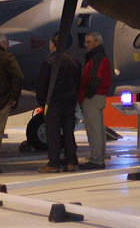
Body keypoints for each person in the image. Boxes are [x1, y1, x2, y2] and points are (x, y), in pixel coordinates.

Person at [37, 34, 81, 173]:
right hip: (69, 103)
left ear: (52, 45)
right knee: (69, 132)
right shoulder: (75, 62)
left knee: (53, 133)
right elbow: (78, 83)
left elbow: (42, 85)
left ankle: (54, 163)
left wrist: (43, 102)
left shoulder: (49, 62)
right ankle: (71, 162)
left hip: (54, 102)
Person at [79, 32, 112, 170]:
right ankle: (99, 157)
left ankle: (96, 160)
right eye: (85, 42)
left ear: (97, 43)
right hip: (97, 96)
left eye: (88, 42)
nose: (86, 44)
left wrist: (87, 94)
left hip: (93, 97)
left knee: (94, 130)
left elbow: (95, 79)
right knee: (98, 129)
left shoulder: (96, 58)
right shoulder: (97, 57)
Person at [0, 33, 23, 174]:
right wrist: (14, 97)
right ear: (3, 44)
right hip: (1, 103)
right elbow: (18, 77)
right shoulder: (8, 57)